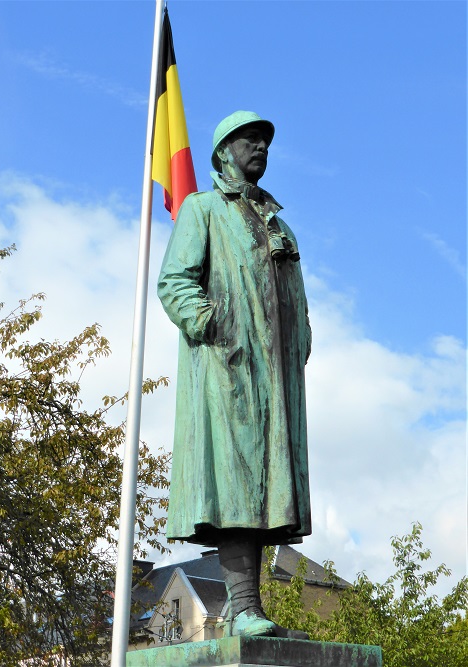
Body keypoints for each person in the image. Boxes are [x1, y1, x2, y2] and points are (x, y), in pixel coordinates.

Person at [158, 111, 312, 637]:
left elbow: (296, 298)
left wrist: (300, 344)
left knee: (270, 491)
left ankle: (253, 609)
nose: (260, 147)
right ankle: (243, 608)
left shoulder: (278, 221)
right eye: (249, 139)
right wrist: (212, 325)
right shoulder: (202, 209)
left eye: (266, 141)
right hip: (228, 370)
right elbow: (175, 281)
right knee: (237, 486)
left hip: (276, 379)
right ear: (223, 152)